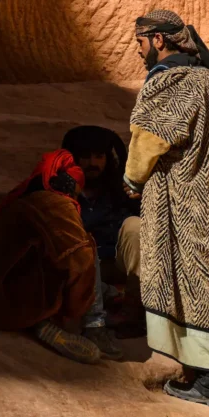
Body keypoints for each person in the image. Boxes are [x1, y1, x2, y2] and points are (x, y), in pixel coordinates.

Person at [123, 10, 209, 409]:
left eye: (140, 42)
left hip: (184, 203)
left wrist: (132, 181)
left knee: (196, 288)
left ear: (158, 40)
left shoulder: (172, 82)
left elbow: (149, 138)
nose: (139, 51)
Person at [0, 150, 103, 364]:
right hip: (13, 304)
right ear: (71, 185)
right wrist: (76, 312)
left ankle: (38, 320)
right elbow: (80, 259)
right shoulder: (55, 204)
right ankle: (79, 324)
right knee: (85, 247)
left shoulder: (18, 196)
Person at [61, 126, 143, 356]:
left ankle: (133, 311)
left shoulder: (119, 188)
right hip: (80, 269)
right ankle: (96, 323)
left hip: (117, 264)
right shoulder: (62, 188)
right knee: (82, 240)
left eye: (99, 156)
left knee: (136, 226)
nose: (92, 163)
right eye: (85, 157)